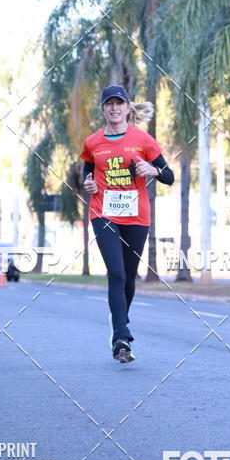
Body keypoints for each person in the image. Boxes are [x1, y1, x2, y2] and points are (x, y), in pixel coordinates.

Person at [81, 85, 174, 363]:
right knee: (117, 274)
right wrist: (87, 183)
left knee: (129, 278)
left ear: (127, 107)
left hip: (136, 216)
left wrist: (153, 170)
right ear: (103, 109)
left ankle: (120, 321)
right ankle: (121, 336)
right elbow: (88, 172)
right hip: (103, 213)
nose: (114, 108)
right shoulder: (92, 142)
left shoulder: (143, 140)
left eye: (118, 103)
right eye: (108, 104)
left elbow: (169, 176)